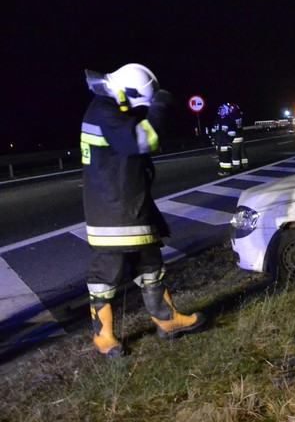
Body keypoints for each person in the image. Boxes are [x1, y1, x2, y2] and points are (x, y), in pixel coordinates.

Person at [81, 63, 206, 357]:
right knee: (105, 276)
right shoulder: (104, 112)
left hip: (129, 204)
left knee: (150, 265)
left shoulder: (110, 108)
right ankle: (104, 337)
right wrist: (159, 108)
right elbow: (142, 139)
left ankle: (167, 320)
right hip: (112, 211)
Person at [211, 103, 248, 175]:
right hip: (218, 143)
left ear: (227, 111)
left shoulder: (229, 120)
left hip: (225, 143)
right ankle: (222, 170)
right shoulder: (217, 121)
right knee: (221, 159)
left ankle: (228, 171)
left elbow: (232, 133)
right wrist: (213, 141)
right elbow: (213, 132)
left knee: (226, 158)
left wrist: (229, 143)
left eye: (224, 110)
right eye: (221, 110)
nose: (222, 112)